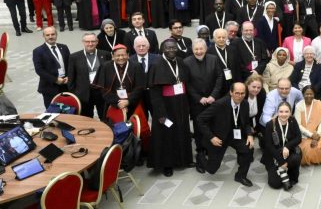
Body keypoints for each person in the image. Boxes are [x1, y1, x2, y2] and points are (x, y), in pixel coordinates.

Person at [147, 38, 192, 176]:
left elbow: (186, 83)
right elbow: (154, 93)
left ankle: (184, 159)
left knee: (182, 131)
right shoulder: (156, 65)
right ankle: (167, 164)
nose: (171, 50)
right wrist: (160, 113)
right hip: (165, 107)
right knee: (167, 135)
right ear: (162, 49)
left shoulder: (180, 61)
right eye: (168, 48)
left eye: (174, 47)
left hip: (181, 103)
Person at [195, 82, 255, 186]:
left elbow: (246, 123)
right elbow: (200, 119)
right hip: (218, 137)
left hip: (235, 135)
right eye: (237, 93)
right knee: (211, 169)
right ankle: (200, 157)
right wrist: (211, 137)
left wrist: (249, 135)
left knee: (248, 148)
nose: (240, 96)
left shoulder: (245, 104)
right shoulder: (220, 104)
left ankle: (240, 176)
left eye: (242, 93)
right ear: (231, 92)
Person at [185, 38, 225, 171]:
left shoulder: (213, 59)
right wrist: (199, 98)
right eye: (196, 49)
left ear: (206, 49)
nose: (199, 51)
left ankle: (211, 149)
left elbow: (220, 77)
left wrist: (213, 95)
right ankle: (200, 153)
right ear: (192, 50)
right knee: (198, 128)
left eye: (201, 49)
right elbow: (187, 83)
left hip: (213, 100)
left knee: (214, 125)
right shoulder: (187, 62)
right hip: (198, 102)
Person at [94, 44, 146, 122]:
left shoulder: (136, 66)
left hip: (133, 102)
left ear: (128, 55)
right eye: (118, 55)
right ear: (113, 56)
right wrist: (117, 102)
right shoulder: (105, 67)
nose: (121, 58)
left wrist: (128, 101)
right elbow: (102, 88)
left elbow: (139, 87)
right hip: (111, 103)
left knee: (134, 127)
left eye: (123, 55)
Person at [66, 32, 109, 118]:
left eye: (93, 41)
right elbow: (71, 77)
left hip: (101, 92)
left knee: (105, 117)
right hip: (84, 94)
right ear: (83, 42)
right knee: (86, 119)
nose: (90, 44)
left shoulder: (105, 54)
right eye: (87, 41)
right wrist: (75, 94)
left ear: (97, 42)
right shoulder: (74, 57)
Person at [262, 101, 302, 190]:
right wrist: (281, 161)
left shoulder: (292, 121)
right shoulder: (270, 124)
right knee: (275, 184)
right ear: (277, 112)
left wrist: (287, 147)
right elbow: (268, 145)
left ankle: (286, 171)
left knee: (296, 157)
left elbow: (298, 138)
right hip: (274, 155)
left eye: (286, 112)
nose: (284, 114)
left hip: (287, 153)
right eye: (281, 112)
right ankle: (282, 168)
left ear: (290, 112)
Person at [31, 26, 71, 108]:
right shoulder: (38, 51)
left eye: (53, 34)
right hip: (49, 87)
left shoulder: (64, 47)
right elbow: (39, 70)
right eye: (47, 35)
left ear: (56, 35)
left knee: (69, 110)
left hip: (65, 85)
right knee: (53, 112)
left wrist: (69, 76)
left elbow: (70, 64)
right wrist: (55, 80)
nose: (50, 37)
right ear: (44, 36)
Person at [294, 85, 321, 165]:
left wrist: (317, 135)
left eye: (311, 94)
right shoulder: (299, 106)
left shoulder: (319, 104)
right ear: (303, 94)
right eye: (306, 94)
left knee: (316, 148)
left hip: (317, 132)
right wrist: (311, 135)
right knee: (307, 151)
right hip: (303, 134)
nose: (309, 96)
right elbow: (298, 125)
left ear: (314, 94)